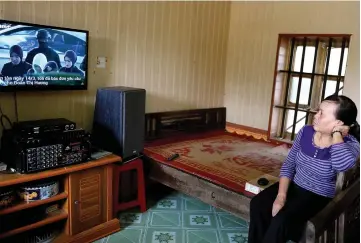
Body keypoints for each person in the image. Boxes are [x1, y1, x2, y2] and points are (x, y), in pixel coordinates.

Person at [248, 94, 360, 243]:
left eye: (322, 113)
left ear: (338, 122)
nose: (316, 115)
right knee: (258, 205)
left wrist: (337, 134)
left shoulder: (349, 144)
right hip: (296, 185)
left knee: (281, 220)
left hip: (318, 196)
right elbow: (289, 164)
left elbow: (342, 165)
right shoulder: (306, 132)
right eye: (318, 110)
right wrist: (281, 197)